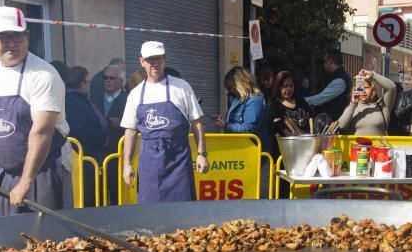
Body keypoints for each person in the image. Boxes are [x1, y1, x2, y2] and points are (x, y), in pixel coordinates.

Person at [0, 6, 70, 214]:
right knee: (6, 239)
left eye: (17, 37)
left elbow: (42, 131)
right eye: (4, 37)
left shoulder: (43, 75)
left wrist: (26, 180)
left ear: (27, 36)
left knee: (49, 240)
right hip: (4, 174)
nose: (11, 44)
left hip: (45, 171)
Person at [120, 41, 209, 202]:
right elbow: (130, 131)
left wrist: (202, 154)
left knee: (183, 212)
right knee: (150, 214)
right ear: (142, 61)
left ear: (164, 60)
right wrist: (126, 165)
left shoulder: (181, 87)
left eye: (158, 59)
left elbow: (197, 123)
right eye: (150, 60)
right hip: (149, 163)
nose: (155, 64)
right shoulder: (135, 94)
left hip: (178, 160)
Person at [214, 66, 272, 154]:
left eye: (231, 87)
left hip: (253, 151)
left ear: (240, 84)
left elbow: (249, 128)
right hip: (239, 149)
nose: (229, 91)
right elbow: (235, 123)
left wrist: (226, 125)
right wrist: (223, 121)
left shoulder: (255, 100)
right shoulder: (236, 98)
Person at [64, 65, 107, 163]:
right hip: (84, 157)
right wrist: (103, 137)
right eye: (88, 81)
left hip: (86, 155)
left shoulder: (78, 99)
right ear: (82, 84)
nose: (89, 84)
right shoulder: (75, 102)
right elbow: (82, 129)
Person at [336, 69, 396, 136]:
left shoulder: (382, 105)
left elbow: (392, 87)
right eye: (361, 88)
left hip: (379, 146)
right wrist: (353, 104)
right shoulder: (351, 108)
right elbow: (341, 126)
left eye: (367, 87)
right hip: (357, 146)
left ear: (372, 89)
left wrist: (373, 75)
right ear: (355, 90)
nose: (364, 91)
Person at [267, 70, 312, 153]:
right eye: (285, 86)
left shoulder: (301, 101)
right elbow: (271, 128)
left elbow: (311, 117)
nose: (288, 89)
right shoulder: (274, 106)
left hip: (306, 146)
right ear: (278, 87)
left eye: (291, 86)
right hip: (285, 151)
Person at [305, 48, 351, 121]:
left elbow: (320, 98)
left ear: (330, 61)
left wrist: (301, 101)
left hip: (333, 123)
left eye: (325, 61)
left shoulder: (339, 80)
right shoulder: (334, 76)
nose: (323, 64)